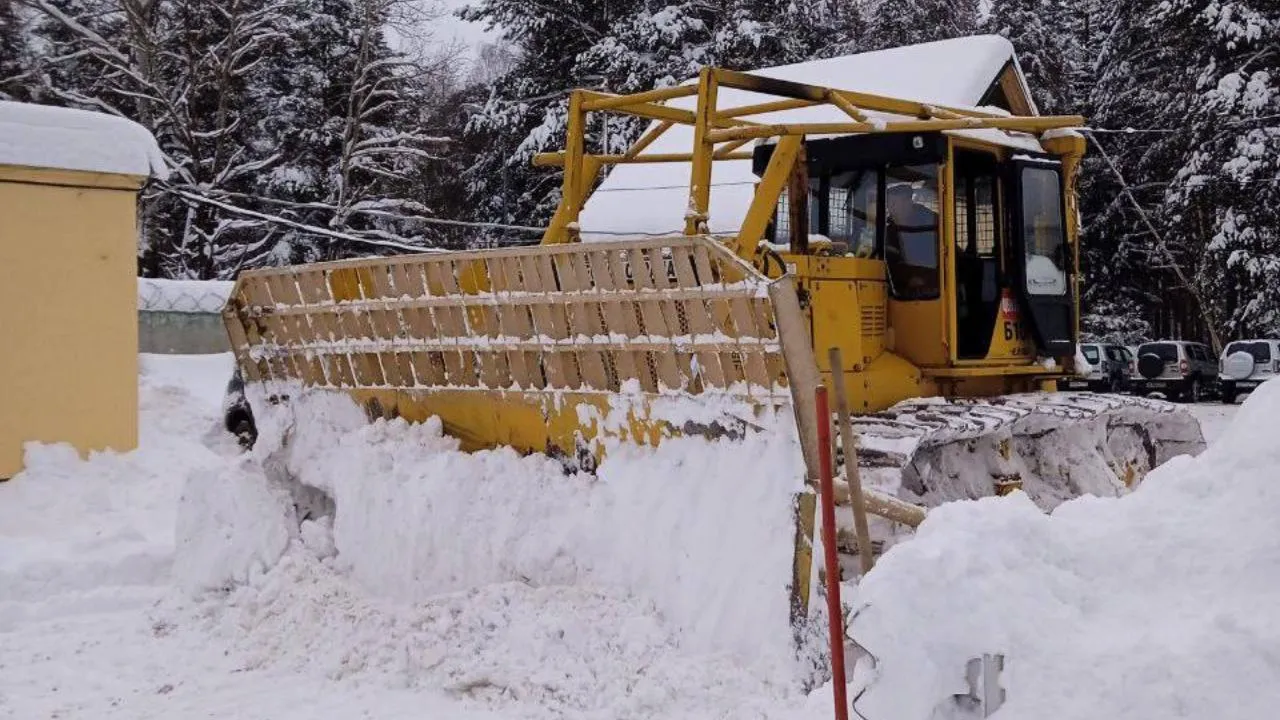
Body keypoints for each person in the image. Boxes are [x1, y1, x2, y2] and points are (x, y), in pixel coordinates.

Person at [884, 183, 939, 296]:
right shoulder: (888, 230)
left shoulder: (930, 224)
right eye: (889, 204)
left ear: (908, 203)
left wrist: (922, 277)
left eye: (894, 203)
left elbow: (940, 259)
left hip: (931, 286)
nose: (891, 209)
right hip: (899, 287)